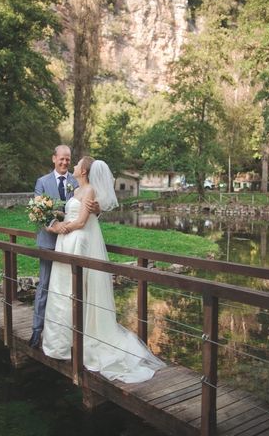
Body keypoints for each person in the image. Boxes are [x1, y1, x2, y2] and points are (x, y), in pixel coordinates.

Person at [42, 157, 165, 383]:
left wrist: (59, 229)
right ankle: (63, 339)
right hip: (67, 240)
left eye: (78, 164)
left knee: (77, 288)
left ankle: (81, 336)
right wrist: (55, 221)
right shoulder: (77, 188)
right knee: (63, 288)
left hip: (76, 239)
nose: (74, 166)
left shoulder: (88, 191)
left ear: (85, 171)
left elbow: (80, 222)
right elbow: (71, 215)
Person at [29, 145, 79, 348]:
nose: (65, 162)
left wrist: (97, 210)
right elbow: (36, 211)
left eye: (68, 159)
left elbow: (85, 207)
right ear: (54, 159)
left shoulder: (76, 181)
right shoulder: (42, 182)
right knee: (45, 285)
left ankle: (67, 334)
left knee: (69, 289)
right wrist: (53, 226)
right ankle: (36, 331)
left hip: (70, 243)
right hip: (49, 243)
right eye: (62, 159)